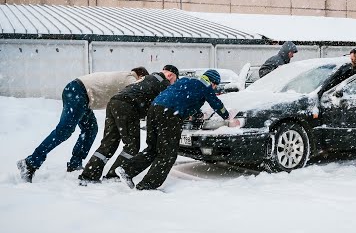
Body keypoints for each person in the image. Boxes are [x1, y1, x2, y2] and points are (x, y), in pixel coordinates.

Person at [16, 67, 149, 183]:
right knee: (64, 131)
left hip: (80, 95)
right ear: (141, 76)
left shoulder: (124, 78)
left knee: (91, 129)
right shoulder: (130, 78)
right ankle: (30, 163)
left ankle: (75, 163)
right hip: (78, 92)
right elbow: (138, 93)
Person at [115, 69, 231, 191]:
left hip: (154, 109)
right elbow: (217, 104)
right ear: (212, 82)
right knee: (168, 153)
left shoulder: (187, 81)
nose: (214, 88)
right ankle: (147, 185)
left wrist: (197, 114)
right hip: (169, 114)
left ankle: (126, 170)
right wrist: (227, 116)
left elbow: (185, 99)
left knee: (153, 148)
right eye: (215, 85)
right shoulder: (205, 86)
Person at [78, 65, 179, 186]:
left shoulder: (148, 78)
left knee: (109, 142)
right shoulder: (163, 83)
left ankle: (89, 175)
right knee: (132, 146)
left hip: (114, 102)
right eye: (175, 80)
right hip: (128, 106)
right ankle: (114, 175)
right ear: (170, 75)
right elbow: (170, 102)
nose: (174, 83)